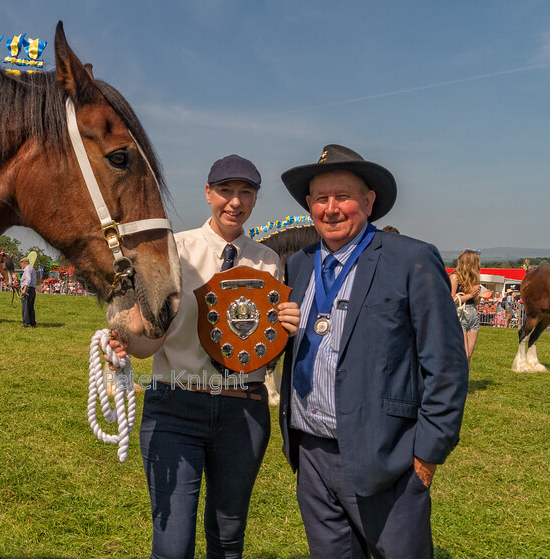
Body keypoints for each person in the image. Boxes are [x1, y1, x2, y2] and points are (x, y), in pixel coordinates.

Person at [278, 144, 469, 558]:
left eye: (343, 196)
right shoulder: (299, 265)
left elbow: (447, 365)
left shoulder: (411, 259)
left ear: (368, 201)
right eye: (321, 198)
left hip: (387, 458)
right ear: (309, 205)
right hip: (310, 453)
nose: (331, 208)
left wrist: (426, 457)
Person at [109, 154, 300, 559]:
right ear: (208, 193)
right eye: (226, 191)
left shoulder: (268, 260)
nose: (235, 201)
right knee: (173, 546)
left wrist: (287, 324)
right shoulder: (174, 250)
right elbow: (151, 340)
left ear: (254, 200)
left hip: (243, 412)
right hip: (176, 406)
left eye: (245, 193)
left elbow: (266, 343)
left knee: (228, 539)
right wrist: (126, 341)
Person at [450, 249, 482, 363]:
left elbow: (475, 302)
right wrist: (470, 295)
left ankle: (465, 381)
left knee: (469, 356)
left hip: (472, 313)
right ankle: (457, 380)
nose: (479, 264)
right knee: (463, 354)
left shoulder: (474, 278)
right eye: (477, 262)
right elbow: (452, 299)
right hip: (460, 314)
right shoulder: (455, 277)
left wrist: (480, 296)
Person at [19, 257, 37, 328]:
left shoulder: (27, 269)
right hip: (32, 290)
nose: (21, 265)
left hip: (28, 290)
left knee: (25, 307)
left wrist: (24, 289)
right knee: (30, 307)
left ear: (24, 263)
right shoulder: (32, 269)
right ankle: (32, 323)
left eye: (21, 263)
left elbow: (28, 280)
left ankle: (26, 324)